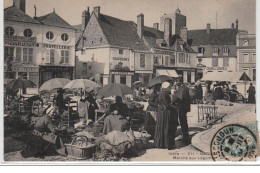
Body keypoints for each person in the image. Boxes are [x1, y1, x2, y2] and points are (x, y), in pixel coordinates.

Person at [154, 82, 178, 149]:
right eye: (169, 86)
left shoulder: (161, 93)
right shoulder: (165, 94)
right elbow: (167, 104)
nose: (170, 88)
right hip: (165, 113)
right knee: (166, 128)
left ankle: (160, 143)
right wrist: (173, 97)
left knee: (161, 128)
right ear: (166, 87)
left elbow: (157, 102)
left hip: (161, 112)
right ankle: (166, 144)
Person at [172, 78, 191, 145]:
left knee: (182, 122)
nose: (175, 83)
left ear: (179, 81)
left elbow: (180, 98)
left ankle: (185, 137)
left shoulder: (181, 88)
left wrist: (174, 96)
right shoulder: (184, 87)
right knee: (184, 122)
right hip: (184, 108)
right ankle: (185, 136)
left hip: (181, 108)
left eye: (176, 81)